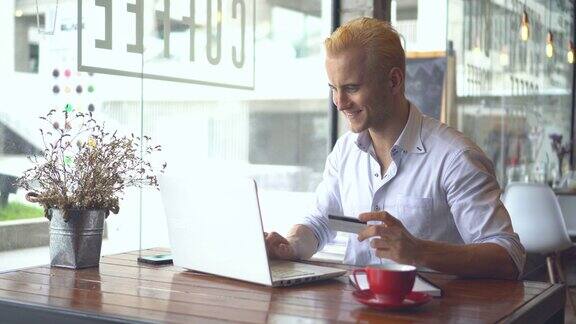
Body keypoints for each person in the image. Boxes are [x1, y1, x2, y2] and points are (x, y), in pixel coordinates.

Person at [264, 17, 525, 279]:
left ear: (394, 81)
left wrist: (419, 251)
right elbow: (321, 222)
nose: (340, 103)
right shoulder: (344, 151)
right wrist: (291, 246)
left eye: (351, 88)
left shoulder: (455, 157)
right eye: (334, 88)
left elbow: (508, 257)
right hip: (357, 312)